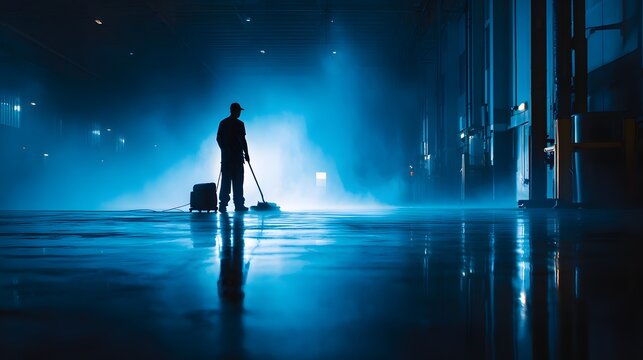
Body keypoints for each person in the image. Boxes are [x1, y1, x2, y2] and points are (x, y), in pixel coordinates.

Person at [216, 102, 250, 212]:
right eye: (239, 110)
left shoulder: (223, 123)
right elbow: (243, 141)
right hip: (236, 159)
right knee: (238, 182)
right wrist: (247, 154)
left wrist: (224, 150)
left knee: (226, 182)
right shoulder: (240, 124)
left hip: (228, 159)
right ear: (234, 110)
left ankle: (223, 205)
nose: (240, 112)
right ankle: (238, 205)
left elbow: (218, 139)